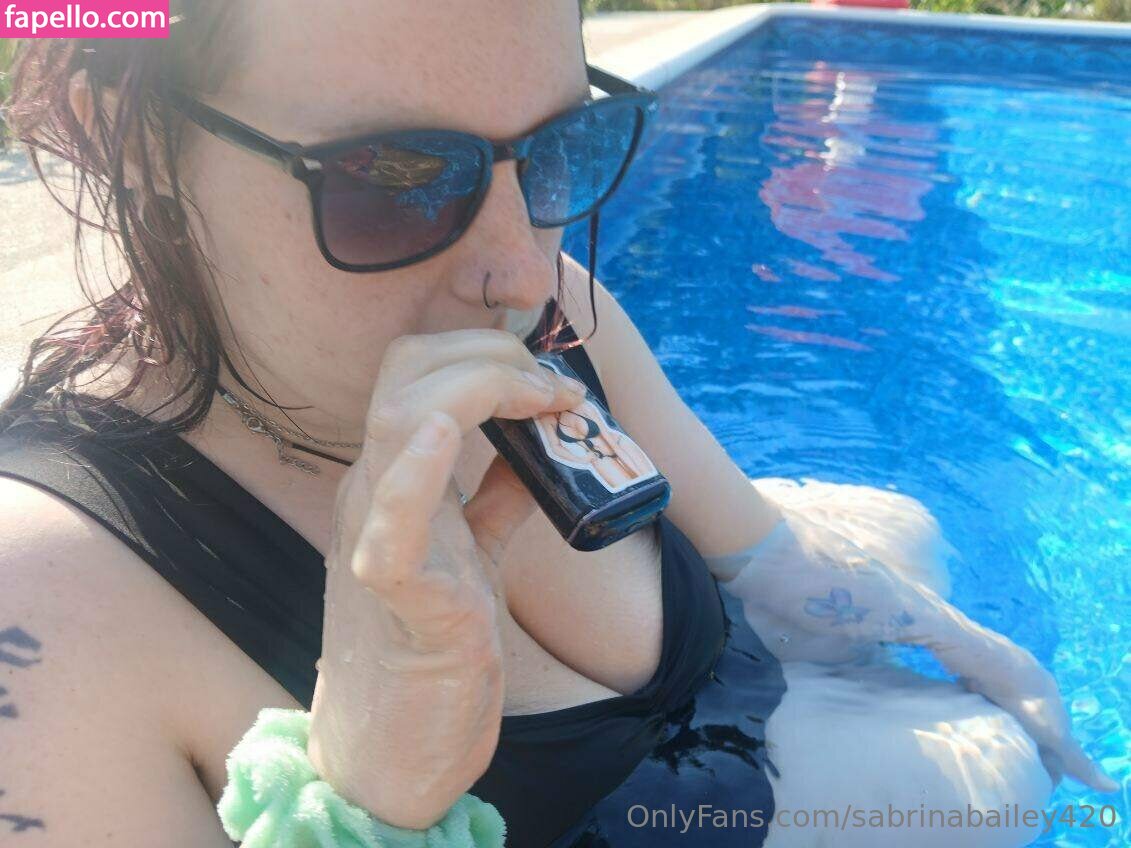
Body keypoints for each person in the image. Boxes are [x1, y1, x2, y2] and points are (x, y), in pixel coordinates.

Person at [0, 2, 1116, 847]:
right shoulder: (47, 604)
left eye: (555, 151)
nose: (520, 273)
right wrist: (371, 796)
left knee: (909, 541)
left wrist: (970, 642)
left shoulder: (558, 305)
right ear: (132, 143)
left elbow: (764, 552)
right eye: (392, 176)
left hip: (733, 719)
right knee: (990, 783)